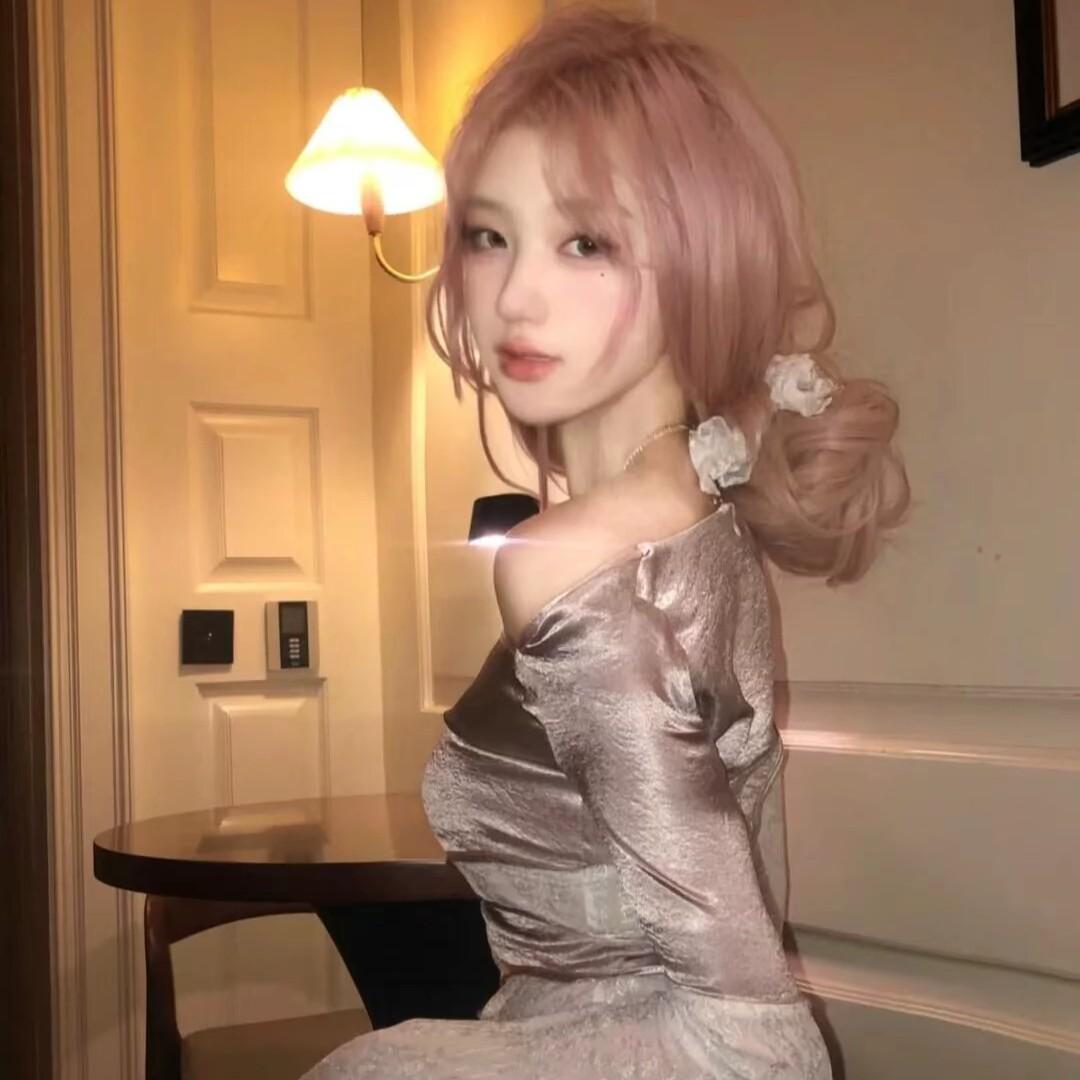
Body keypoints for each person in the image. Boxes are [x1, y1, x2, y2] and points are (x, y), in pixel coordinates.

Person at [304, 5, 909, 1078]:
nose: (514, 295)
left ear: (699, 262)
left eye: (585, 242)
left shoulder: (564, 561)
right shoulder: (702, 505)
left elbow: (751, 1038)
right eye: (488, 234)